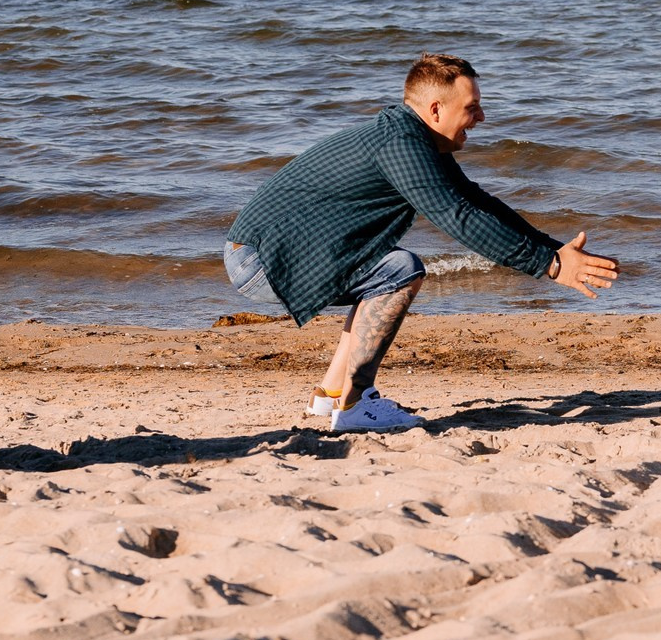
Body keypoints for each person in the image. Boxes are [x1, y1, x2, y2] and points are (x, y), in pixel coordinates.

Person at [225, 54, 619, 432]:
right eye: (472, 107)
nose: (481, 117)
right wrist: (547, 265)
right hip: (262, 260)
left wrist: (552, 252)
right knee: (399, 270)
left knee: (384, 270)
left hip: (263, 252)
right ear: (435, 110)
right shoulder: (401, 144)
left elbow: (474, 201)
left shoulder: (411, 137)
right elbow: (457, 218)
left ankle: (330, 395)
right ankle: (356, 403)